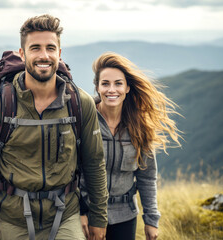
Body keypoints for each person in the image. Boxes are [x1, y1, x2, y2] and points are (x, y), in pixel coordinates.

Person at [0, 14, 108, 240]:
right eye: (35, 48)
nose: (44, 55)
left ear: (59, 54)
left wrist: (99, 218)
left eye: (50, 48)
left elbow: (94, 162)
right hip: (14, 219)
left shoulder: (79, 103)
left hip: (65, 215)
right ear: (22, 54)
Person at [80, 52, 182, 240]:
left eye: (118, 83)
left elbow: (147, 176)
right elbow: (70, 172)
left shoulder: (139, 127)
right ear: (97, 87)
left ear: (127, 87)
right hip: (87, 213)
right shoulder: (84, 121)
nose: (112, 89)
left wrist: (151, 220)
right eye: (105, 84)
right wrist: (80, 212)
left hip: (124, 216)